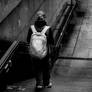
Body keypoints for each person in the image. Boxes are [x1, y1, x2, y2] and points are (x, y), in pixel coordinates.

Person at [27, 10, 54, 89]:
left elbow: (28, 40)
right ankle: (47, 83)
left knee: (37, 67)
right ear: (44, 19)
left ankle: (39, 83)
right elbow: (52, 41)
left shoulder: (31, 28)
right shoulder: (48, 29)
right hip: (45, 53)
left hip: (34, 53)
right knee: (46, 67)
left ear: (36, 19)